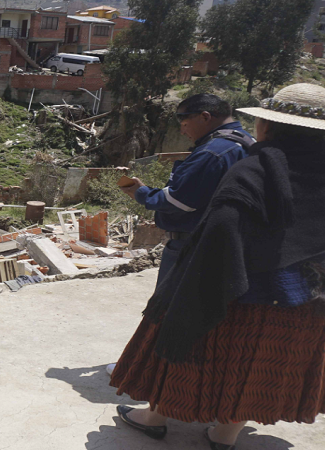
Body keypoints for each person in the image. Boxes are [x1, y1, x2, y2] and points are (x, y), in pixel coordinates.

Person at [109, 83, 325, 449]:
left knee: (188, 344)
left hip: (249, 296)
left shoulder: (252, 171)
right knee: (258, 373)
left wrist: (187, 296)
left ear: (268, 128)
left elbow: (220, 238)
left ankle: (154, 416)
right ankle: (225, 434)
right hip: (316, 298)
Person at [107, 94, 255, 376]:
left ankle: (148, 370)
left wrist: (141, 193)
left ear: (205, 117)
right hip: (224, 243)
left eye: (183, 120)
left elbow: (179, 201)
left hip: (191, 245)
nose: (182, 128)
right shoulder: (244, 143)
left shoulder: (213, 152)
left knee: (166, 309)